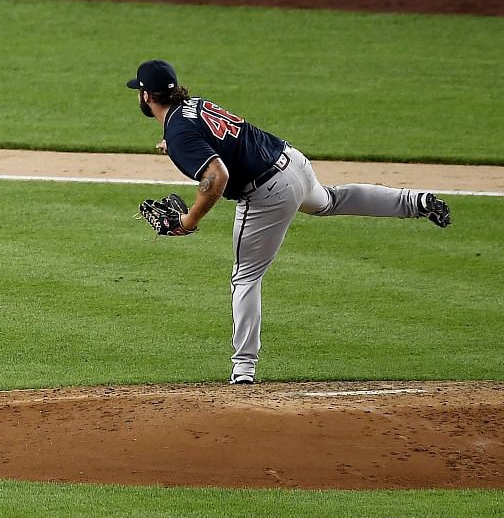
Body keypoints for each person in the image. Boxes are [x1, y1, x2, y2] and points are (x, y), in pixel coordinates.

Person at [128, 59, 450, 384]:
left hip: (268, 192)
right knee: (330, 201)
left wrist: (188, 220)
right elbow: (214, 138)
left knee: (245, 278)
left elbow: (217, 175)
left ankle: (243, 371)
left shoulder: (180, 132)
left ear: (145, 96)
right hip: (293, 163)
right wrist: (180, 145)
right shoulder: (190, 107)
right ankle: (415, 202)